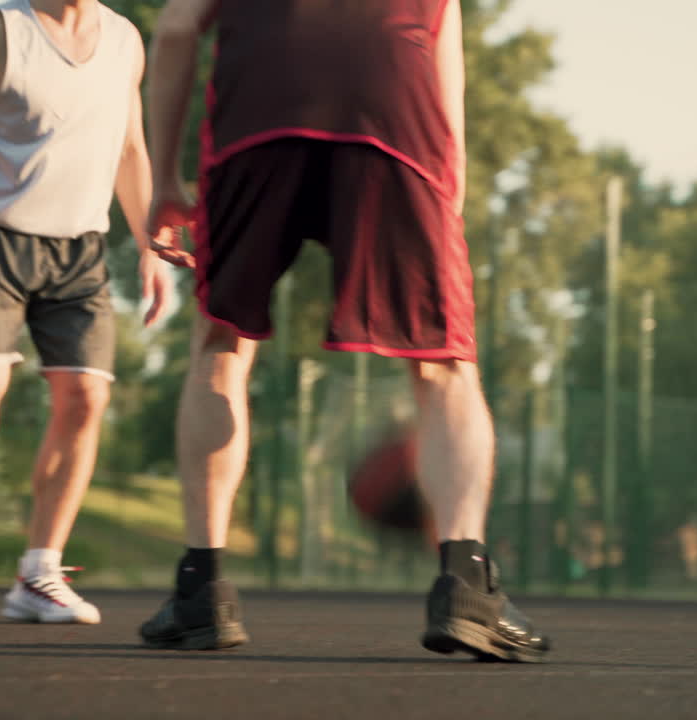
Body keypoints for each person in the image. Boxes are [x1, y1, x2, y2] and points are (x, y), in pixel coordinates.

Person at [137, 0, 550, 661]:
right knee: (443, 362)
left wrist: (162, 177)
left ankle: (201, 592)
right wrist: (450, 186)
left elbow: (178, 26)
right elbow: (445, 45)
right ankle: (468, 586)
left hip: (260, 111)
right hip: (396, 108)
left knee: (221, 342)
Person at [0, 0, 171, 623]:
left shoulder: (126, 40)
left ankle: (39, 573)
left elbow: (129, 148)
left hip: (79, 250)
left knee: (85, 400)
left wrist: (151, 240)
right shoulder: (1, 32)